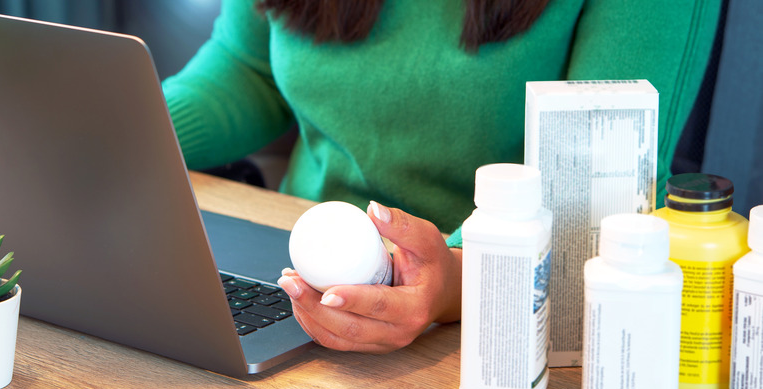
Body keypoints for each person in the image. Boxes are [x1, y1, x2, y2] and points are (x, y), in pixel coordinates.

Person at [162, 0, 721, 353]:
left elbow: (596, 180)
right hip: (283, 264)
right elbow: (247, 68)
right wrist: (116, 122)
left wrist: (453, 280)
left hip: (497, 303)